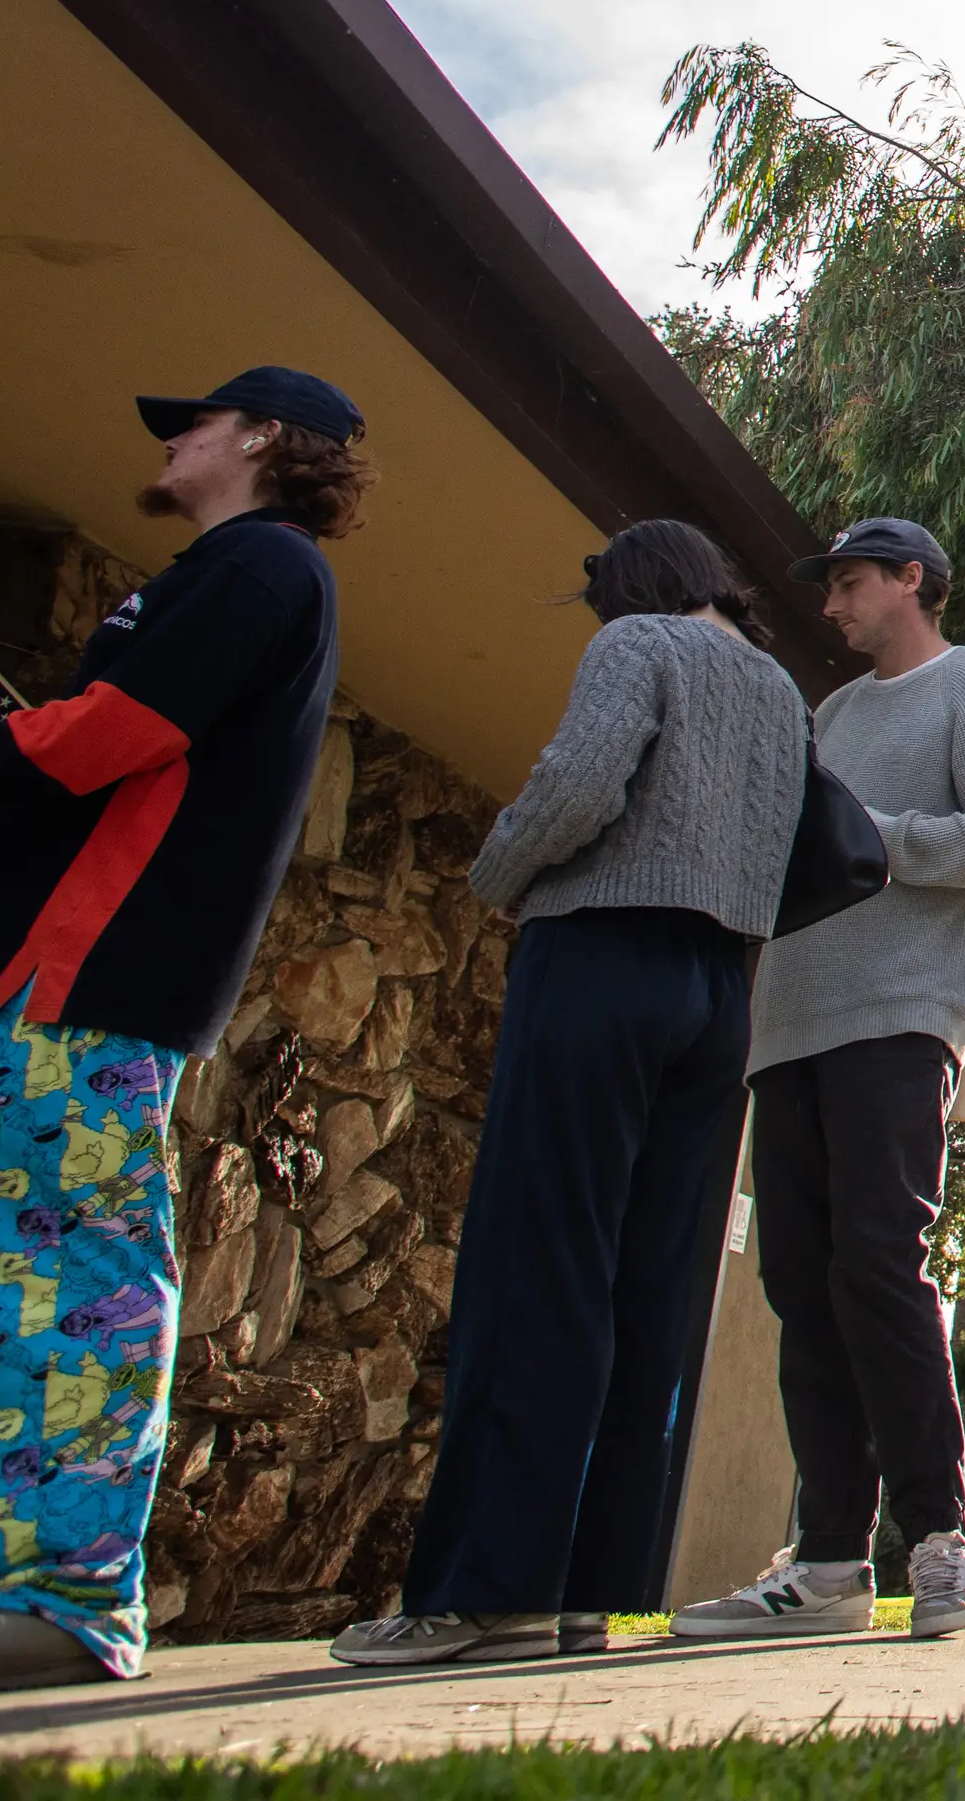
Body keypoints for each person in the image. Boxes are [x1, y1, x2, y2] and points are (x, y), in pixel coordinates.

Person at [0, 369, 366, 1692]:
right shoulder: (221, 578)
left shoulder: (261, 568)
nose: (171, 440)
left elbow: (109, 738)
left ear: (264, 439)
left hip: (79, 997)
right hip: (20, 999)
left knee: (56, 1281)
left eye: (196, 421)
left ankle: (64, 1599)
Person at [336, 525, 809, 1667]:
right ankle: (589, 1587)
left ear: (633, 586)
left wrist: (495, 874)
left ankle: (481, 1591)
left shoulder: (637, 645)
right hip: (719, 989)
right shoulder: (781, 690)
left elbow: (577, 785)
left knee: (538, 1261)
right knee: (650, 1280)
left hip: (602, 959)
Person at [674, 518, 965, 1645]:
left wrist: (877, 840)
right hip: (786, 1023)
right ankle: (831, 1562)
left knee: (880, 1262)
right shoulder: (831, 716)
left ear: (913, 581)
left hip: (902, 1015)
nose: (832, 605)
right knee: (801, 1283)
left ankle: (942, 1539)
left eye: (849, 582)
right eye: (829, 586)